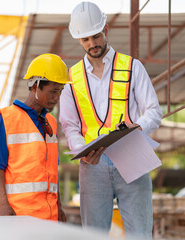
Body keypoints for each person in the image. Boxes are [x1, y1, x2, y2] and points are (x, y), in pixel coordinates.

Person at [59, 1, 163, 237]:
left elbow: (154, 111)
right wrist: (81, 150)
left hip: (131, 155)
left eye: (96, 36)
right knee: (93, 234)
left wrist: (139, 127)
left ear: (105, 30)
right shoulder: (71, 79)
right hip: (92, 164)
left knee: (140, 233)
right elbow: (70, 125)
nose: (92, 44)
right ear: (79, 39)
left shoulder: (132, 67)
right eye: (85, 39)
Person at [0, 53, 70, 222]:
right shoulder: (7, 118)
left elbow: (52, 172)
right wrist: (2, 204)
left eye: (60, 91)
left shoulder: (51, 123)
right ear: (35, 87)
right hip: (20, 215)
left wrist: (59, 206)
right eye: (53, 91)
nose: (57, 98)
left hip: (50, 218)